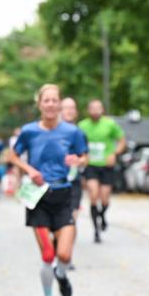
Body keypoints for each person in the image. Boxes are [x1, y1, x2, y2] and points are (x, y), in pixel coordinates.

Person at [6, 84, 87, 296]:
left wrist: (77, 161)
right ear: (39, 104)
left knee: (64, 255)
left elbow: (84, 157)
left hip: (64, 196)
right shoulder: (29, 131)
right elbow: (11, 155)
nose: (51, 104)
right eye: (46, 100)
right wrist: (29, 169)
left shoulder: (72, 132)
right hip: (38, 197)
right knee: (48, 255)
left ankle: (61, 275)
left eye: (54, 100)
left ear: (60, 103)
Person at [78, 100, 126, 242]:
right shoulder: (82, 126)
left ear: (102, 110)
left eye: (98, 108)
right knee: (93, 194)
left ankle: (102, 215)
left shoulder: (109, 124)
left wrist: (115, 153)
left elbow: (122, 140)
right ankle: (96, 231)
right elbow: (76, 144)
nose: (95, 111)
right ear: (88, 110)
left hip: (106, 165)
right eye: (92, 108)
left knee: (105, 198)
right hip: (91, 165)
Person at [61, 97, 88, 268]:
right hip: (54, 182)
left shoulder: (79, 133)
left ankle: (67, 255)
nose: (69, 111)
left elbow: (85, 157)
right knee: (57, 223)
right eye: (66, 108)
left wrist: (79, 161)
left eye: (72, 108)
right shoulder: (52, 131)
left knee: (71, 219)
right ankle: (59, 249)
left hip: (74, 181)